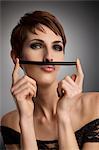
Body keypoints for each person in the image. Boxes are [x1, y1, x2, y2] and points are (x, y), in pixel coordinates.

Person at [1, 10, 99, 150]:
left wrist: (63, 116)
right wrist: (26, 119)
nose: (49, 57)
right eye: (37, 45)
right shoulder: (9, 123)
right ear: (16, 57)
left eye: (56, 47)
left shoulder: (95, 106)